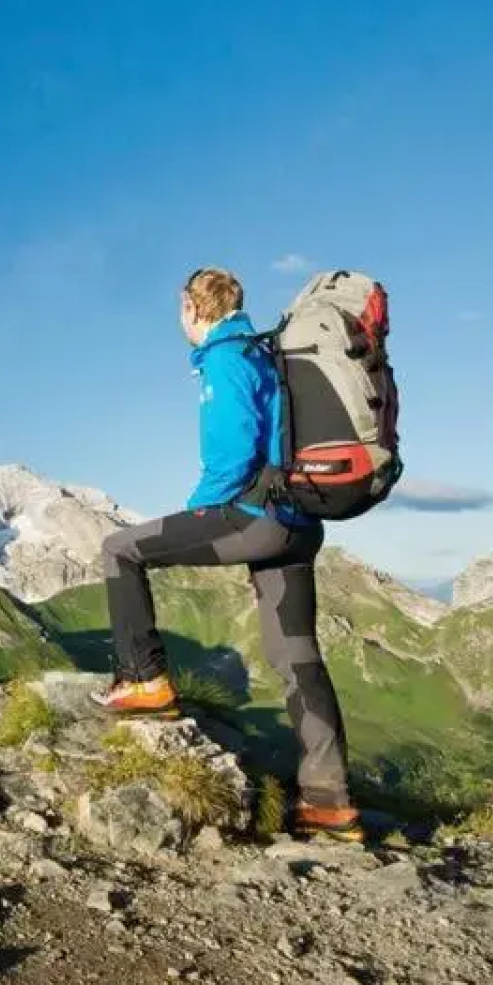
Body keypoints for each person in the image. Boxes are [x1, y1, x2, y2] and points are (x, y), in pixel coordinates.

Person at [89, 266, 362, 842]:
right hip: (299, 521)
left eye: (180, 310)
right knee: (296, 657)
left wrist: (200, 517)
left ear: (192, 307)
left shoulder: (224, 357)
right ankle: (328, 802)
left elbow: (233, 448)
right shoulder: (266, 354)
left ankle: (143, 680)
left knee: (121, 550)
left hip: (258, 516)